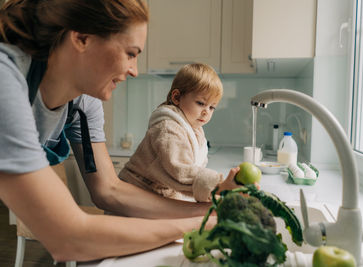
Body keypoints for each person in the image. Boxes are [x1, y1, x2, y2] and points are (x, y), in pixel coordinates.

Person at [0, 0, 239, 262]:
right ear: (82, 38)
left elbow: (108, 190)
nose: (135, 71)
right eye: (131, 53)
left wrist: (205, 212)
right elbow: (69, 238)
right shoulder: (5, 81)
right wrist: (198, 225)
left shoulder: (83, 102)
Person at [119, 63, 240, 202]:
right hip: (135, 193)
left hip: (162, 192)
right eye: (201, 103)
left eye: (212, 107)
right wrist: (219, 186)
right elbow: (180, 170)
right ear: (176, 97)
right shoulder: (168, 128)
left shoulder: (195, 131)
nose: (206, 112)